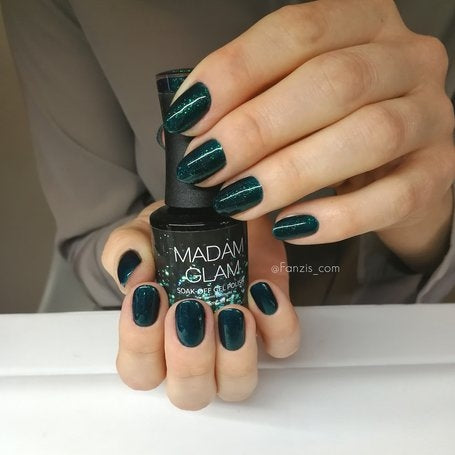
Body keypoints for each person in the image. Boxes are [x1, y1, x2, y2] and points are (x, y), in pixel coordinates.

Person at [3, 0, 454, 410]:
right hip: (124, 383)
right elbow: (90, 231)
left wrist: (422, 213)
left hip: (390, 350)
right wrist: (133, 259)